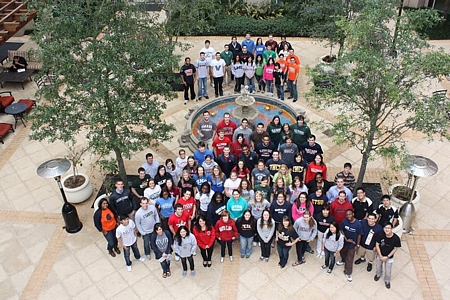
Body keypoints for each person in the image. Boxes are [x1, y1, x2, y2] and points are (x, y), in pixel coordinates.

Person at [338, 209, 363, 282]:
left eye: (350, 214)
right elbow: (341, 230)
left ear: (353, 214)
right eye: (347, 215)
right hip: (345, 242)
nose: (348, 216)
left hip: (353, 244)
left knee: (350, 258)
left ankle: (348, 272)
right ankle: (343, 260)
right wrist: (346, 239)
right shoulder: (344, 221)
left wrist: (357, 245)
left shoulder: (358, 224)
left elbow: (359, 235)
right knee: (342, 252)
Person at [374, 222, 402, 289]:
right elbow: (377, 244)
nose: (387, 230)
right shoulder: (381, 235)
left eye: (389, 228)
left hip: (389, 257)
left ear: (392, 229)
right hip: (380, 254)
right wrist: (380, 256)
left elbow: (395, 248)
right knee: (378, 266)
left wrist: (387, 257)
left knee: (388, 270)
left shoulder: (396, 238)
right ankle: (378, 274)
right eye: (385, 228)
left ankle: (387, 280)